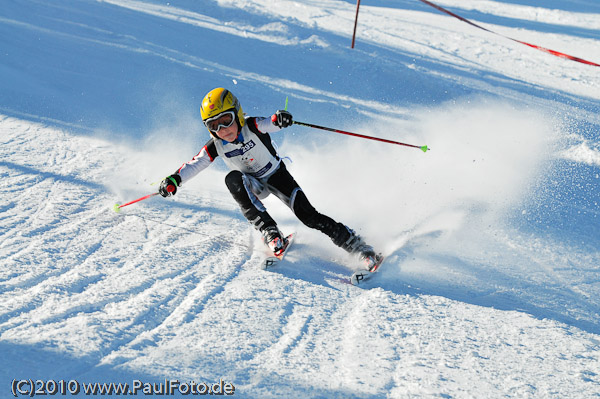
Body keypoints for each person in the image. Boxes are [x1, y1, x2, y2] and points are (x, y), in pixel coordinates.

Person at [159, 88, 380, 271]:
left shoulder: (251, 126)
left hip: (276, 176)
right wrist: (175, 180)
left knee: (309, 217)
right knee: (232, 180)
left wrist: (280, 119)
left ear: (237, 113)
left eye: (226, 120)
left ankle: (357, 246)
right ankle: (270, 232)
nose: (222, 129)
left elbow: (270, 122)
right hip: (251, 183)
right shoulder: (215, 145)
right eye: (213, 125)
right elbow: (196, 163)